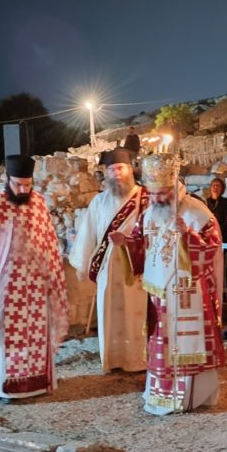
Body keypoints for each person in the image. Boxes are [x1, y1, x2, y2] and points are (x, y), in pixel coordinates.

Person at [109, 152, 225, 415]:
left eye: (161, 193)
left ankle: (192, 397)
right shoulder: (148, 214)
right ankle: (161, 393)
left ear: (173, 187)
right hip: (160, 296)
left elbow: (212, 250)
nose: (155, 199)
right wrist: (126, 243)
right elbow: (140, 242)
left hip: (189, 294)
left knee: (186, 344)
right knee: (161, 342)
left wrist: (188, 235)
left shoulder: (198, 213)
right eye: (151, 193)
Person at [0, 155, 68, 401]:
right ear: (6, 179)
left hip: (35, 284)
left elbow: (48, 239)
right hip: (5, 284)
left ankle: (37, 382)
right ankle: (5, 385)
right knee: (8, 337)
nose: (24, 190)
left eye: (28, 184)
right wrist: (7, 243)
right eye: (18, 184)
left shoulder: (37, 202)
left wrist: (47, 268)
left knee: (35, 337)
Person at [69, 148, 150, 372]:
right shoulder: (99, 201)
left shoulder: (146, 198)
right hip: (107, 269)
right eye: (111, 169)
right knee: (110, 314)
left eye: (121, 168)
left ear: (130, 169)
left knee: (137, 313)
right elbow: (88, 233)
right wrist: (83, 264)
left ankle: (138, 360)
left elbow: (154, 231)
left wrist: (129, 241)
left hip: (137, 268)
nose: (116, 174)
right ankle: (113, 360)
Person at [204, 178, 227, 242]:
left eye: (218, 185)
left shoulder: (226, 202)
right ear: (210, 188)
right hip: (208, 235)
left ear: (222, 188)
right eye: (213, 185)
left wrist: (218, 231)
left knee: (223, 249)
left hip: (223, 236)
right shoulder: (205, 202)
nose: (215, 187)